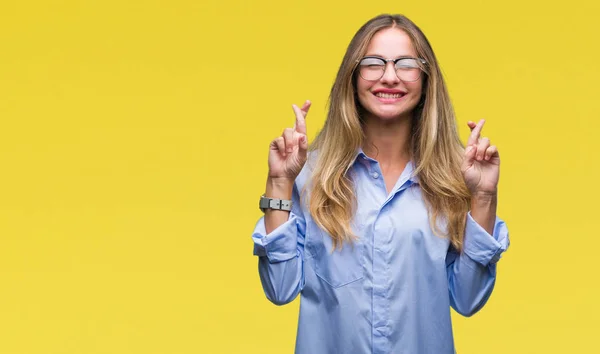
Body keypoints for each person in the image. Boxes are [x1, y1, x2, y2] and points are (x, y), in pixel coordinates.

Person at [251, 13, 510, 354]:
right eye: (373, 63)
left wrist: (484, 197)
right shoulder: (312, 175)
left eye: (405, 64)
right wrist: (280, 181)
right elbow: (280, 289)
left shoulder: (455, 178)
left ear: (426, 77)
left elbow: (468, 298)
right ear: (353, 77)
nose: (390, 77)